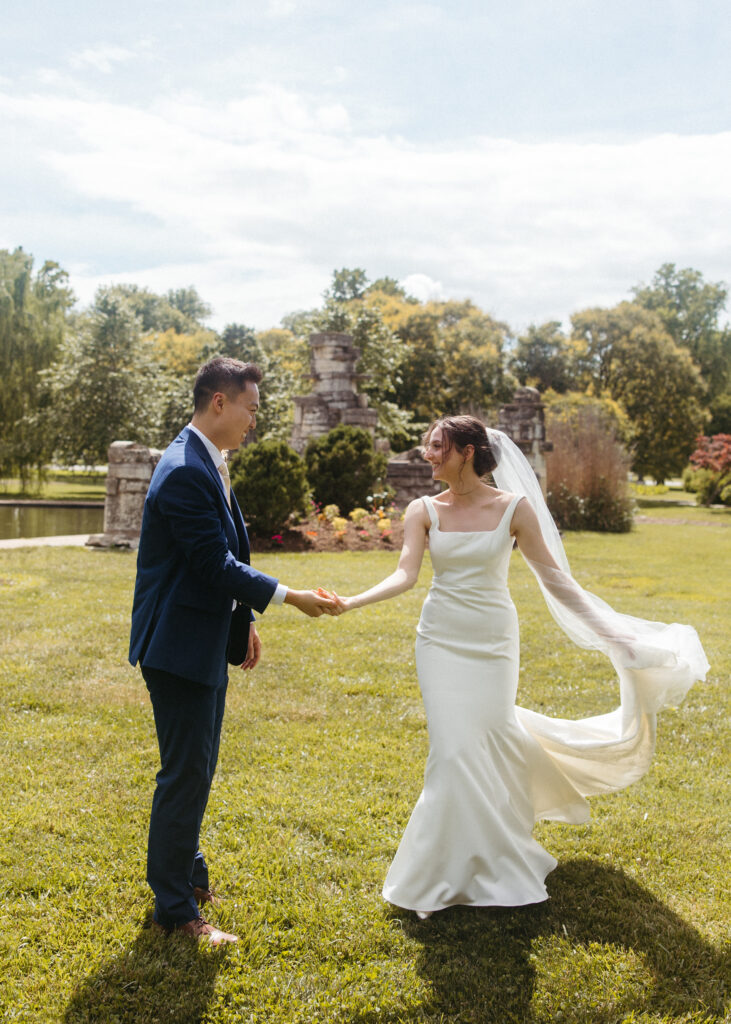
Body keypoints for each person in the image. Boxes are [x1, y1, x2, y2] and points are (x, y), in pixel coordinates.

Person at [333, 415, 708, 920]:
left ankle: (489, 860)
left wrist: (616, 635)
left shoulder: (514, 508)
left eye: (438, 446)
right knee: (451, 753)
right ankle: (439, 874)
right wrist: (351, 601)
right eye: (428, 447)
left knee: (486, 740)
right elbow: (405, 573)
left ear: (468, 451)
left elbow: (557, 582)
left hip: (492, 644)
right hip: (439, 642)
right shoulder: (422, 509)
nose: (428, 455)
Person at [129, 356, 339, 946]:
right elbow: (212, 562)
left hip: (200, 636)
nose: (254, 420)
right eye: (250, 408)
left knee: (197, 767)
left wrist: (241, 618)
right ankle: (174, 910)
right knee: (185, 772)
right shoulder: (184, 469)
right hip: (175, 645)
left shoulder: (207, 460)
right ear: (219, 402)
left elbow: (227, 553)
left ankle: (188, 878)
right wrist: (289, 595)